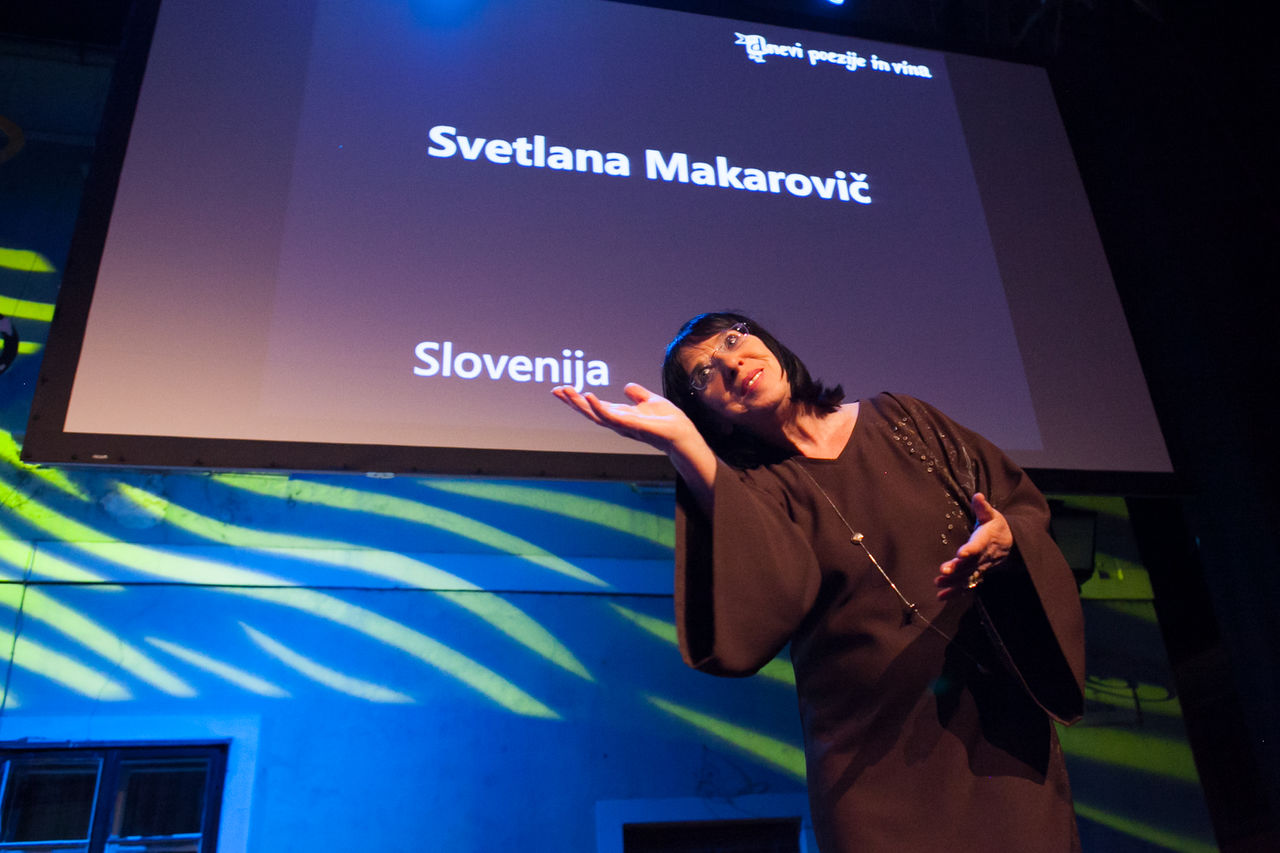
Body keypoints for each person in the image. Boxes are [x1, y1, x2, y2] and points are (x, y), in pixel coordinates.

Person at [553, 311, 1085, 852]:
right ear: (704, 410)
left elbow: (1018, 505)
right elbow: (768, 591)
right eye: (703, 373)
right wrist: (687, 449)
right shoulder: (752, 489)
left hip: (995, 722)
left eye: (735, 340)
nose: (732, 363)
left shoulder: (903, 419)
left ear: (767, 342)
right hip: (870, 754)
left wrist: (1007, 538)